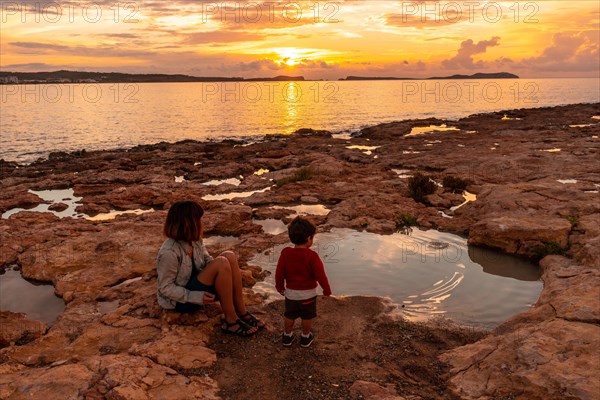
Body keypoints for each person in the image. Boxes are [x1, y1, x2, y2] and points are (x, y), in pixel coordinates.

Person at [156, 201, 264, 336]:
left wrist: (222, 271)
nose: (202, 222)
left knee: (229, 256)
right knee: (222, 262)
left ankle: (241, 311)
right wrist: (195, 296)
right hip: (181, 300)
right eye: (199, 219)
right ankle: (231, 321)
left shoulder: (194, 240)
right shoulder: (169, 252)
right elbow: (165, 288)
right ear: (189, 222)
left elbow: (207, 260)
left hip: (196, 284)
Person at [275, 216, 332, 347]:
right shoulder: (312, 256)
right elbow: (320, 275)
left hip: (291, 294)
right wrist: (326, 290)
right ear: (308, 238)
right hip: (308, 295)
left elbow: (279, 273)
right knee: (306, 317)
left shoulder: (285, 253)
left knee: (289, 315)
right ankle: (305, 337)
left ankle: (287, 337)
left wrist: (279, 287)